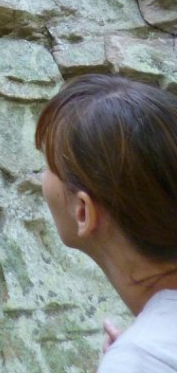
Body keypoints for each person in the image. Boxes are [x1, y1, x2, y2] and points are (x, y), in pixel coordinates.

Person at [35, 74, 177, 371]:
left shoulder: (144, 356)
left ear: (83, 212)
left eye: (49, 166)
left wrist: (137, 358)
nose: (42, 178)